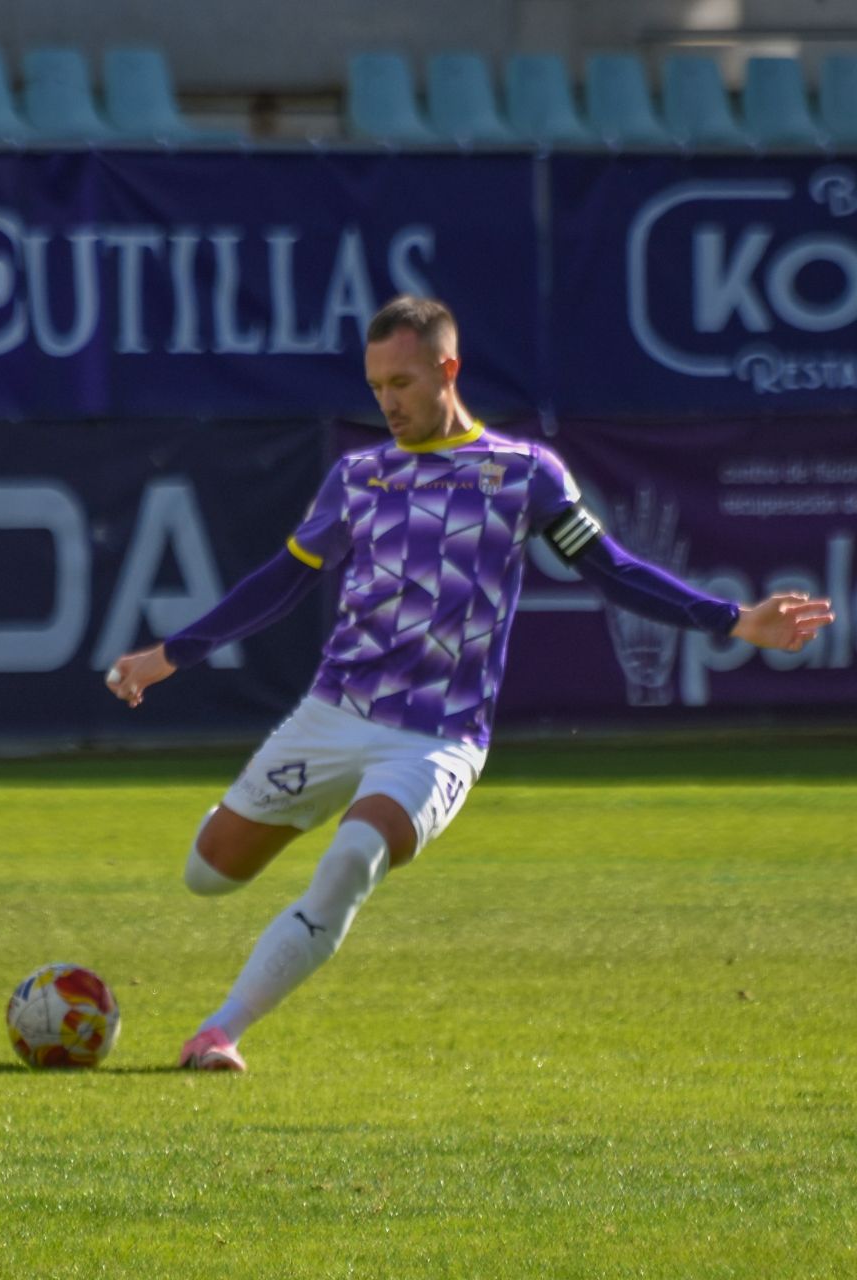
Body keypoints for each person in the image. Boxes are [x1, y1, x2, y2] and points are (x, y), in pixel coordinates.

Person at [105, 295, 834, 1075]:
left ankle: (219, 1032)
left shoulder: (524, 475)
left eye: (403, 382)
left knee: (353, 856)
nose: (388, 402)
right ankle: (241, 817)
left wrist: (734, 620)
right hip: (333, 715)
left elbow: (612, 569)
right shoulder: (359, 477)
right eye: (376, 386)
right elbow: (283, 580)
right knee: (209, 874)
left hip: (438, 739)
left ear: (448, 369)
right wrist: (172, 654)